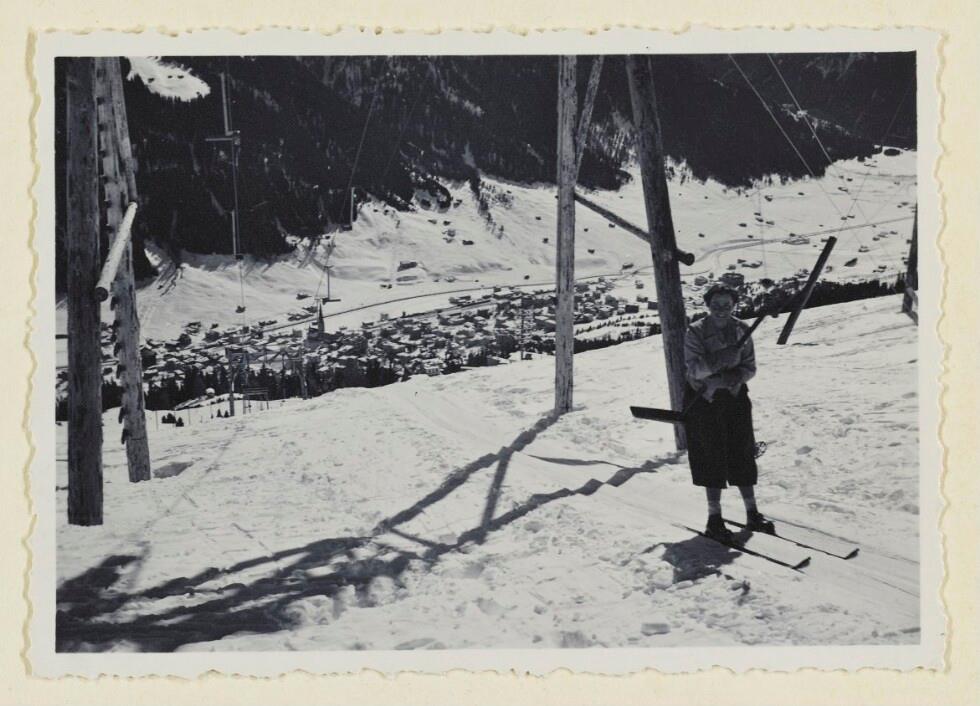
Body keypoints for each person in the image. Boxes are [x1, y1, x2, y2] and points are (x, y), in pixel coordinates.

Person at [683, 283, 774, 541]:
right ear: (708, 305)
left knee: (742, 452)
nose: (721, 309)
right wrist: (720, 358)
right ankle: (714, 519)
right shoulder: (696, 331)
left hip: (734, 398)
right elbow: (694, 370)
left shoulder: (742, 329)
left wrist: (728, 378)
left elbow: (749, 368)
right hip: (704, 401)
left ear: (734, 305)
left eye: (727, 304)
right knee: (711, 456)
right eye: (716, 304)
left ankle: (752, 513)